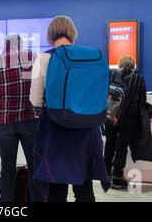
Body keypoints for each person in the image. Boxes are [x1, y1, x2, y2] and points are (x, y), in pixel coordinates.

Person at [30, 16, 110, 202]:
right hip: (88, 130)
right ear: (73, 34)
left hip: (56, 129)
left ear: (50, 35)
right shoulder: (90, 57)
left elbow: (35, 100)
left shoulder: (43, 59)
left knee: (57, 189)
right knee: (84, 188)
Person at [0, 34, 43, 202]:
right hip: (29, 117)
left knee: (6, 167)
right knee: (34, 165)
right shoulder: (32, 56)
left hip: (5, 119)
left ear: (5, 44)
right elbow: (40, 86)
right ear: (21, 44)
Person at [104, 56, 152, 189]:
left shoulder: (112, 75)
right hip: (129, 119)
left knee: (109, 144)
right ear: (133, 66)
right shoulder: (138, 79)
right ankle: (117, 178)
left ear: (120, 65)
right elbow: (142, 101)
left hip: (111, 117)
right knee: (121, 147)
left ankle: (105, 176)